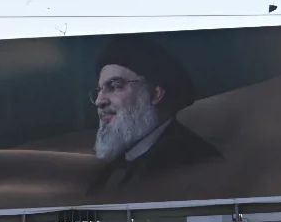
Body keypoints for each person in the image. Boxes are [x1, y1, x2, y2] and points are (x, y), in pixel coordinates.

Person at [86, 34, 221, 192]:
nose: (99, 101)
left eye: (115, 86)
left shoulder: (195, 160)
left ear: (155, 94)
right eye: (100, 90)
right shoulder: (120, 163)